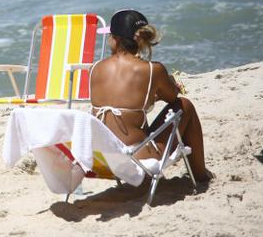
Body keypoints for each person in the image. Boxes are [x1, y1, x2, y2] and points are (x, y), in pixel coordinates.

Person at [89, 9, 211, 183]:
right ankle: (200, 175)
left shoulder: (95, 68)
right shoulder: (153, 69)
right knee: (185, 106)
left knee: (134, 119)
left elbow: (119, 104)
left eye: (109, 36)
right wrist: (170, 84)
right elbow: (172, 98)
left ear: (115, 39)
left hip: (101, 156)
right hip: (136, 156)